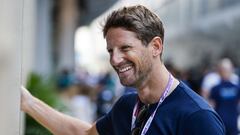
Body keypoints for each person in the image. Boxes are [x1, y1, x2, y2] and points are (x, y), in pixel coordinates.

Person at [21, 5, 225, 135]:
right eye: (111, 50)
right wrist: (28, 102)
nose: (115, 59)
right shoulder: (127, 106)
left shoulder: (197, 117)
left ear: (156, 46)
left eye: (125, 48)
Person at [209, 58, 240, 135]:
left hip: (221, 122)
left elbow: (211, 106)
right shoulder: (236, 87)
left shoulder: (215, 88)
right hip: (230, 122)